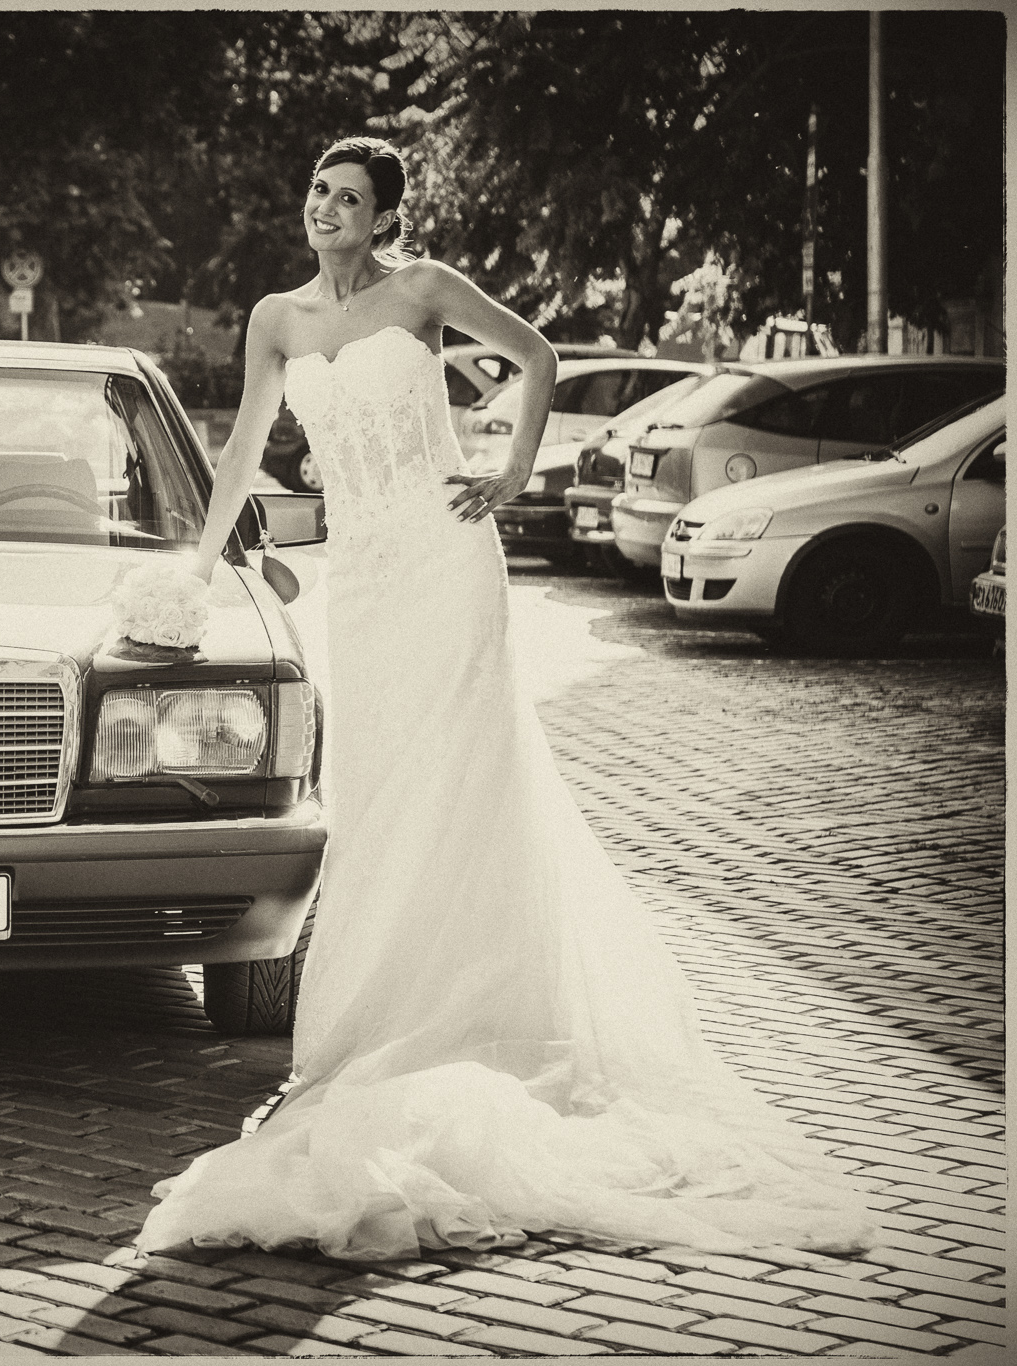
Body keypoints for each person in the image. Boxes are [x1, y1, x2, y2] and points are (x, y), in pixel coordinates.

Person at [137, 136, 876, 1258]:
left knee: (464, 772)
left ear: (385, 217)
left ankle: (486, 1013)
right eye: (318, 192)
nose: (325, 209)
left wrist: (513, 471)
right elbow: (241, 447)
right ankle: (383, 1016)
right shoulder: (275, 319)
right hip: (364, 579)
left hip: (445, 557)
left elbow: (536, 355)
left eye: (348, 198)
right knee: (382, 789)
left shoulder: (424, 290)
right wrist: (196, 568)